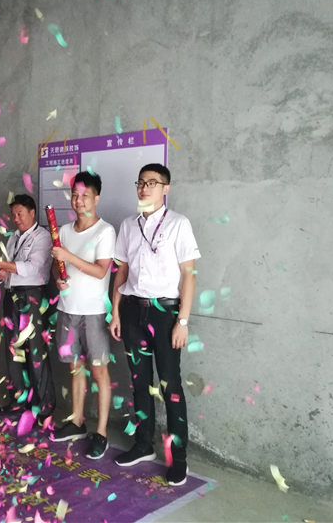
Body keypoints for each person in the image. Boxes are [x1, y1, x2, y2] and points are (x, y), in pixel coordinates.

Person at [109, 163, 200, 486]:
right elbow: (121, 270)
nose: (144, 188)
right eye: (141, 182)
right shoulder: (128, 225)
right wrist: (115, 311)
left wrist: (183, 321)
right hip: (133, 311)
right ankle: (143, 444)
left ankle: (178, 458)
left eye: (152, 183)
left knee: (170, 386)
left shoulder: (178, 224)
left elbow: (189, 274)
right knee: (139, 383)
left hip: (165, 314)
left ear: (165, 188)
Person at [49, 172, 116, 460]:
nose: (79, 201)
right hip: (67, 310)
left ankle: (101, 432)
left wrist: (68, 257)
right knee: (75, 368)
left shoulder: (105, 231)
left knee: (99, 372)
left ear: (96, 198)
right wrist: (58, 277)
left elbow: (101, 270)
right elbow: (57, 266)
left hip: (94, 313)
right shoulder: (64, 231)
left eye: (85, 196)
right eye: (75, 195)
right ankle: (77, 421)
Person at [0, 194, 55, 423]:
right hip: (11, 296)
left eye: (20, 214)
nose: (16, 219)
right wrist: (0, 273)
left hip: (32, 296)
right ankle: (19, 401)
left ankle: (44, 407)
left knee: (36, 351)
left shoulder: (43, 237)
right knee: (14, 350)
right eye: (13, 215)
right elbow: (7, 270)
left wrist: (0, 263)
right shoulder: (13, 237)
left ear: (32, 212)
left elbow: (31, 267)